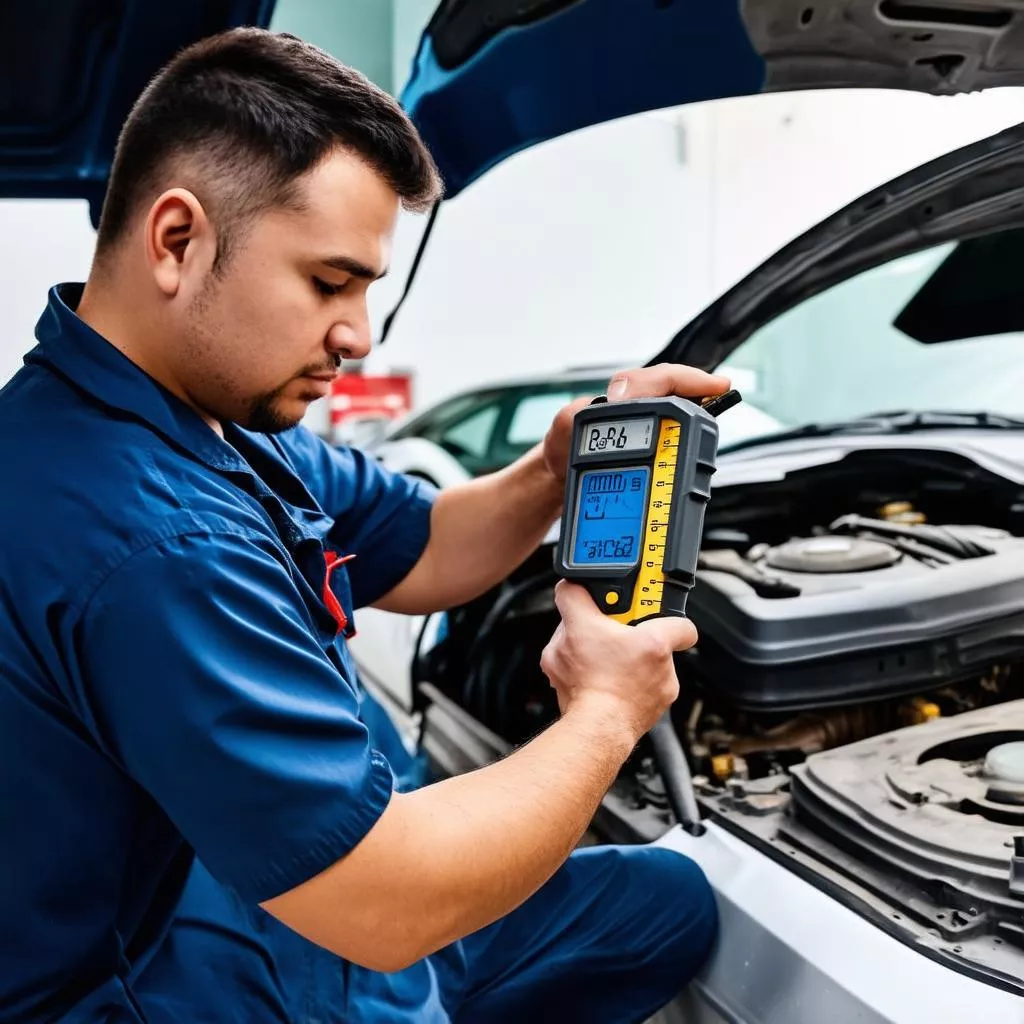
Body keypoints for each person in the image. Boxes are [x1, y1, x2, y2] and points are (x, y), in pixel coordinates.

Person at [0, 27, 724, 1024]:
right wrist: (606, 709)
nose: (357, 333)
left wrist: (555, 471)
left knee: (662, 907)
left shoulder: (204, 417)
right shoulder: (151, 539)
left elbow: (424, 545)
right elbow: (387, 906)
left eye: (368, 287)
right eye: (329, 281)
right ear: (177, 240)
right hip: (176, 979)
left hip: (272, 889)